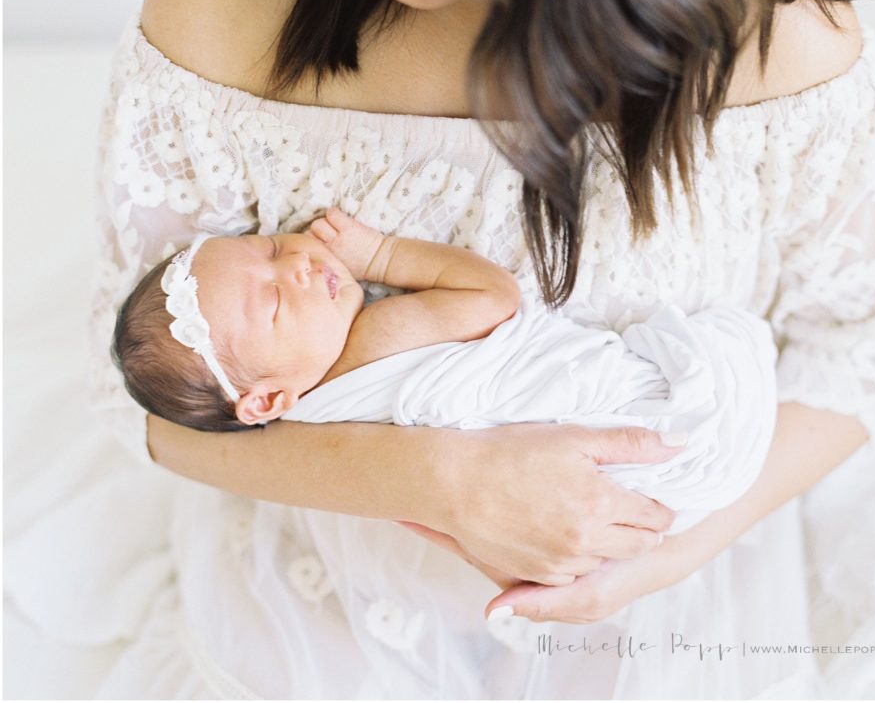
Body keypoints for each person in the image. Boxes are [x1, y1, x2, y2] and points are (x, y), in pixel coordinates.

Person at [81, 0, 875, 697]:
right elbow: (144, 392)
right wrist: (438, 483)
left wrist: (660, 553)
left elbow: (865, 345)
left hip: (656, 561)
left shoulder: (776, 44)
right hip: (341, 549)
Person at [111, 209, 777, 534]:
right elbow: (495, 299)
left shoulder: (313, 417)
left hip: (660, 492)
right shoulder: (375, 338)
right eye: (278, 301)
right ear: (266, 401)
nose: (298, 265)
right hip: (673, 421)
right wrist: (382, 252)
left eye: (269, 246)